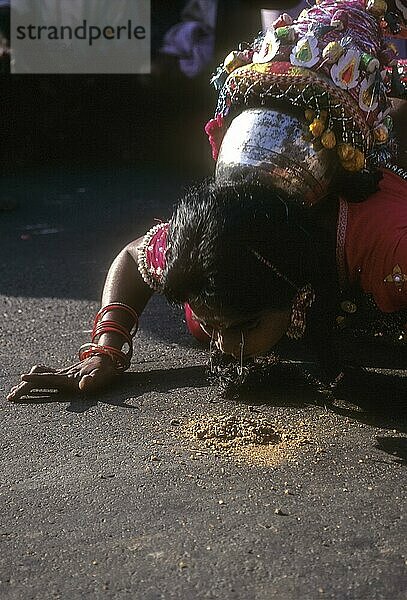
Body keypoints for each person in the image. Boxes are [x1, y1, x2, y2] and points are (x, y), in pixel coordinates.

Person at [7, 0, 407, 401]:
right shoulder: (211, 247)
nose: (226, 348)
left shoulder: (381, 244)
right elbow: (133, 258)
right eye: (214, 327)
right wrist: (107, 349)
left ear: (293, 283)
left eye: (245, 326)